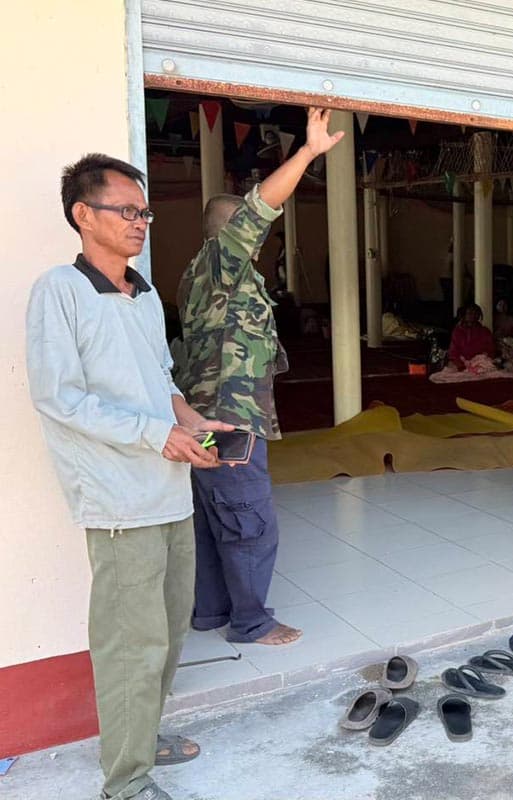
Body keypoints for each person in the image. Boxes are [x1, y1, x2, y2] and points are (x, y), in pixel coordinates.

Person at [27, 154, 232, 800]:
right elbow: (60, 398)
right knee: (130, 646)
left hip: (168, 491)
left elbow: (162, 384)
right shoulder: (59, 292)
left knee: (169, 636)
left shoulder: (143, 297)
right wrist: (155, 436)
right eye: (127, 210)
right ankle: (126, 781)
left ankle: (137, 739)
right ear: (83, 215)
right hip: (118, 504)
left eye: (144, 211)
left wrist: (193, 421)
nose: (141, 222)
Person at [176, 107, 345, 647]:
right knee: (248, 520)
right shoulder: (222, 261)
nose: (264, 240)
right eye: (254, 233)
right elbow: (260, 207)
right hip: (231, 421)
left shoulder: (204, 278)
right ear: (234, 234)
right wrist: (307, 153)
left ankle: (211, 612)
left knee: (209, 513)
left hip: (206, 417)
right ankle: (251, 622)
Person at [447, 302, 496, 368]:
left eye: (476, 313)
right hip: (461, 364)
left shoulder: (485, 331)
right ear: (464, 315)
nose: (473, 315)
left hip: (481, 364)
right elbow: (453, 351)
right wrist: (460, 363)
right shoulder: (457, 331)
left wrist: (481, 360)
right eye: (470, 313)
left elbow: (490, 350)